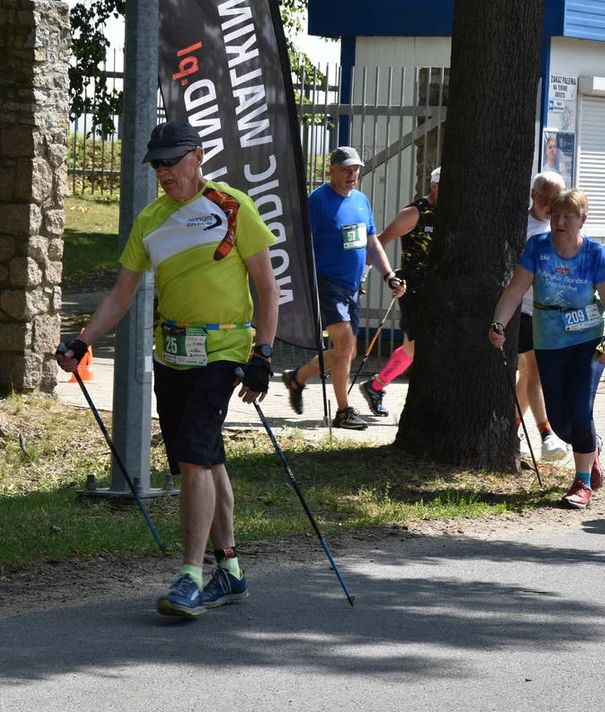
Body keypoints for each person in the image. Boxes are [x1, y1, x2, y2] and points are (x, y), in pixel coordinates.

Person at [56, 120, 279, 617]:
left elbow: (268, 287)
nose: (163, 172)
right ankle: (232, 571)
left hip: (224, 351)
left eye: (172, 161)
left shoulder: (232, 207)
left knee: (195, 455)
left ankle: (190, 576)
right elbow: (120, 296)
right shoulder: (151, 220)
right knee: (204, 458)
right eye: (156, 164)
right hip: (172, 353)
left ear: (198, 156)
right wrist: (82, 341)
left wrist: (263, 355)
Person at [489, 188, 605, 509]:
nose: (560, 221)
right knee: (562, 423)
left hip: (588, 342)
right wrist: (498, 324)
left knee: (580, 408)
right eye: (556, 215)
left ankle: (582, 482)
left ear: (582, 221)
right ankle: (592, 449)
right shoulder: (538, 248)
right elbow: (513, 292)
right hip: (548, 341)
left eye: (568, 216)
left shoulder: (593, 254)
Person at [282, 146, 406, 430]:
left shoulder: (361, 200)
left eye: (356, 170)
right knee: (347, 344)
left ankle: (297, 378)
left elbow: (372, 242)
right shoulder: (317, 201)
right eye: (347, 170)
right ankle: (343, 412)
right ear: (332, 169)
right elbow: (300, 245)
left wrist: (389, 276)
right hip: (325, 285)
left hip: (352, 287)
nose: (353, 175)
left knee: (345, 351)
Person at [358, 166, 439, 416]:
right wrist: (362, 276)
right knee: (417, 346)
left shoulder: (451, 212)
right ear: (434, 186)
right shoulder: (415, 212)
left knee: (414, 346)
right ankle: (376, 385)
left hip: (437, 287)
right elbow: (380, 242)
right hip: (412, 286)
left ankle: (374, 386)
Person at [518, 171, 572, 465]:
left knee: (528, 374)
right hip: (525, 309)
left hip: (555, 312)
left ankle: (513, 430)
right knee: (536, 369)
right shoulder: (523, 225)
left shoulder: (564, 224)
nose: (555, 205)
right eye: (549, 198)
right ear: (534, 197)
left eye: (560, 198)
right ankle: (546, 434)